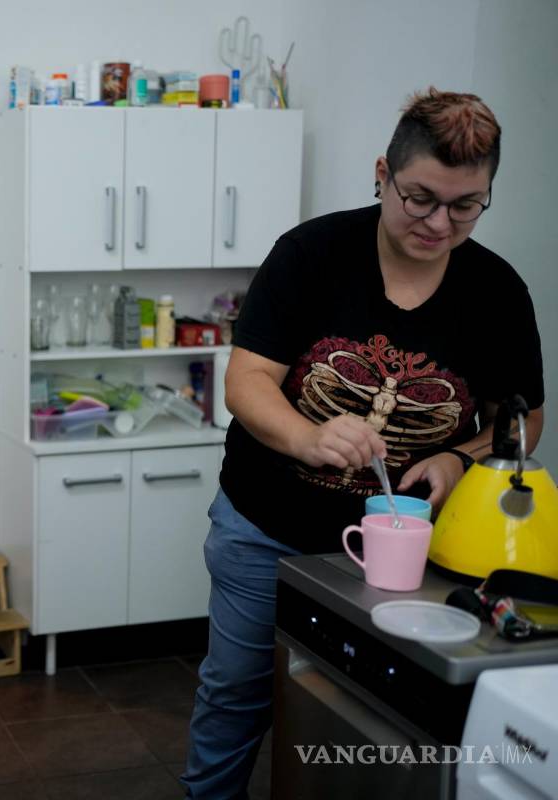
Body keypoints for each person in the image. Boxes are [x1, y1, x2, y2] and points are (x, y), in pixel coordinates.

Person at [181, 88, 545, 798]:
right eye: (420, 198)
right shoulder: (310, 255)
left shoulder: (498, 291)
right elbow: (248, 381)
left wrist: (459, 458)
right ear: (382, 173)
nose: (439, 223)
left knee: (382, 713)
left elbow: (523, 421)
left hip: (420, 549)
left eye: (466, 205)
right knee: (238, 695)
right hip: (269, 531)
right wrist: (309, 435)